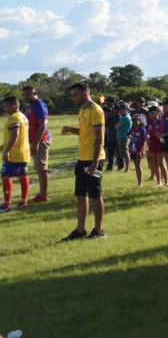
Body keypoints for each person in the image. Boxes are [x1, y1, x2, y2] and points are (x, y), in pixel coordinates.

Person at [60, 82, 106, 240]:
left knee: (96, 194)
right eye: (72, 95)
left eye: (75, 95)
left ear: (85, 94)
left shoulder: (95, 110)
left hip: (94, 159)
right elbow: (85, 132)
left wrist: (94, 163)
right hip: (82, 159)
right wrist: (70, 129)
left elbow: (99, 137)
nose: (73, 98)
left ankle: (99, 231)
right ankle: (80, 231)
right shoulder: (82, 110)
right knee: (80, 194)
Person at [19, 86, 50, 203]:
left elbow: (43, 125)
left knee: (42, 168)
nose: (26, 97)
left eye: (28, 94)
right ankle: (41, 193)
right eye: (24, 95)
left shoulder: (38, 104)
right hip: (34, 141)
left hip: (41, 140)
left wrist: (36, 143)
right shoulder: (29, 106)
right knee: (39, 168)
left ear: (34, 93)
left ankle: (43, 195)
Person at [1, 96, 31, 212]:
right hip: (23, 153)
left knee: (5, 176)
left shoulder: (14, 117)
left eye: (5, 106)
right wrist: (3, 146)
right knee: (23, 176)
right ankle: (23, 202)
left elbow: (15, 135)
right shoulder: (23, 117)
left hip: (14, 154)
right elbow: (18, 137)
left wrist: (6, 151)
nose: (4, 108)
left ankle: (6, 204)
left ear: (14, 105)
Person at [127, 114, 147, 186]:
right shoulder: (132, 129)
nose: (134, 122)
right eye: (133, 120)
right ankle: (138, 182)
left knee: (138, 165)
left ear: (140, 121)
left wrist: (140, 151)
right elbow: (128, 134)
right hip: (133, 149)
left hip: (139, 149)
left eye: (136, 120)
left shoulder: (142, 129)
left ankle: (140, 183)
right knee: (136, 165)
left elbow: (143, 140)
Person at [113, 102, 131, 173]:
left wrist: (117, 125)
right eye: (119, 110)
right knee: (123, 153)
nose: (120, 111)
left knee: (125, 153)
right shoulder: (124, 117)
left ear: (125, 109)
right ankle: (126, 168)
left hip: (123, 137)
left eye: (121, 109)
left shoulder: (125, 118)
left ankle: (127, 168)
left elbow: (116, 126)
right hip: (121, 137)